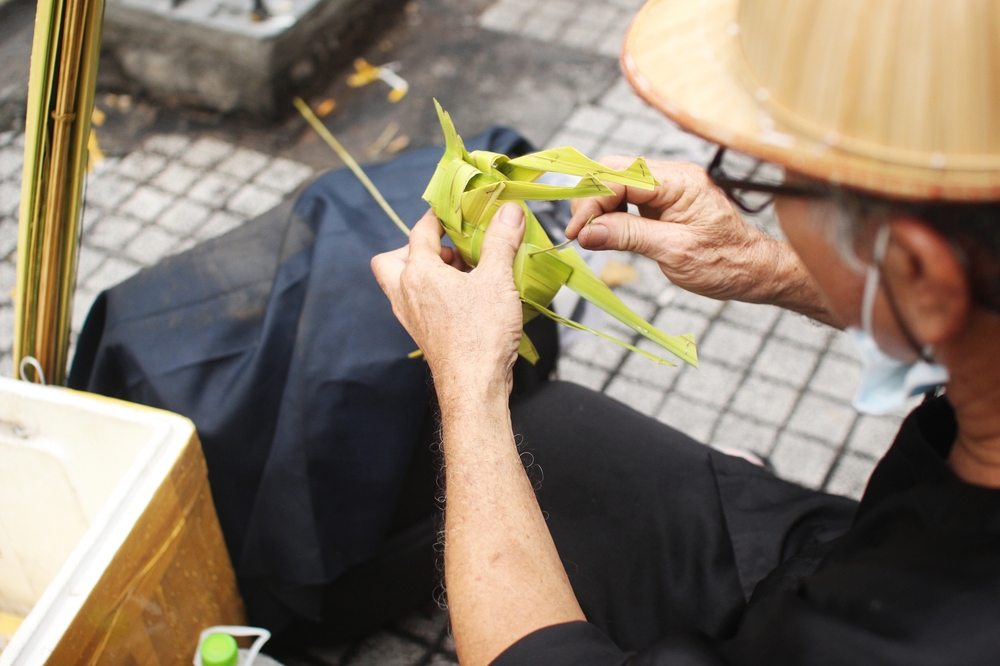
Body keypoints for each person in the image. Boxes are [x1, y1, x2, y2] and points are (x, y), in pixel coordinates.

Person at [370, 0, 1000, 663]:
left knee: (513, 452)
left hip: (835, 614)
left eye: (770, 178)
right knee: (554, 431)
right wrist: (770, 268)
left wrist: (467, 375)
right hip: (853, 543)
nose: (766, 197)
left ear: (918, 271)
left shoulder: (914, 639)